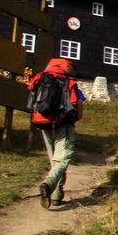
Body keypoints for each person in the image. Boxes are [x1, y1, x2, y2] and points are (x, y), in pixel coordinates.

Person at [29, 58, 85, 208]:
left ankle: (56, 196)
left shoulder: (42, 81)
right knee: (62, 160)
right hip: (64, 124)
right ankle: (49, 184)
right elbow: (78, 112)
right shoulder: (71, 84)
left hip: (43, 121)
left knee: (54, 160)